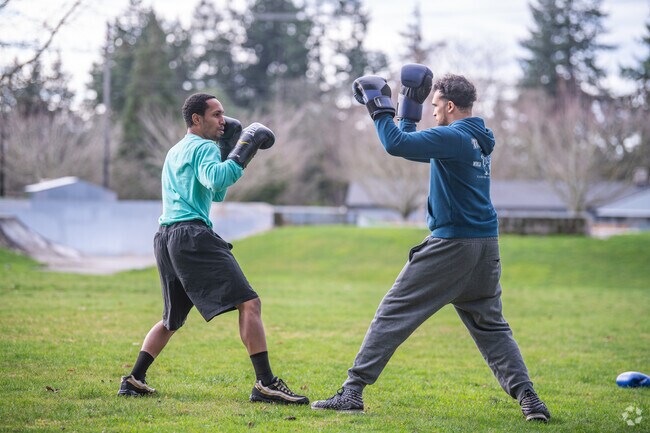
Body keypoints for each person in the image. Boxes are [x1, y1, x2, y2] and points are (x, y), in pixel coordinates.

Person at [311, 67, 550, 422]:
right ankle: (529, 398)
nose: (433, 111)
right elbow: (410, 146)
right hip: (485, 247)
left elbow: (395, 144)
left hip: (452, 246)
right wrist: (408, 108)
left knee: (393, 312)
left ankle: (352, 391)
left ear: (451, 106)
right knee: (492, 328)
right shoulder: (476, 137)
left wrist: (379, 106)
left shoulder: (453, 138)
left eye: (435, 105)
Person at [118, 93, 308, 405]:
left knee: (172, 319)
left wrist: (224, 151)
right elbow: (218, 176)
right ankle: (265, 384)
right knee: (250, 303)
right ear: (197, 119)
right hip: (192, 236)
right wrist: (243, 150)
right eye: (216, 114)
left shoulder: (176, 150)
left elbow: (215, 191)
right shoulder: (202, 146)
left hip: (166, 237)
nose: (223, 120)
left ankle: (134, 379)